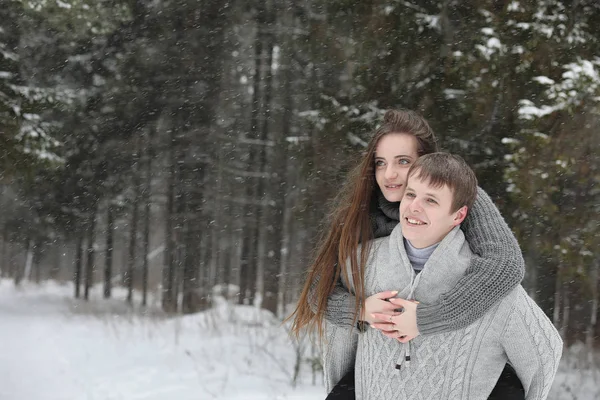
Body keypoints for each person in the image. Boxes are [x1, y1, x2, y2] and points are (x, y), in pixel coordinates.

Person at [288, 109, 528, 399]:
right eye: (380, 163)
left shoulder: (460, 197)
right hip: (383, 358)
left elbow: (505, 264)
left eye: (403, 161)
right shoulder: (362, 211)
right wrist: (362, 309)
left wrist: (427, 317)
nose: (389, 174)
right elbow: (318, 289)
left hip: (465, 354)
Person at [330, 153, 562, 399]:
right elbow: (338, 344)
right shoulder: (362, 262)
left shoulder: (490, 285)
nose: (414, 206)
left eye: (430, 200)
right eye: (410, 194)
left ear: (458, 216)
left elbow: (544, 353)